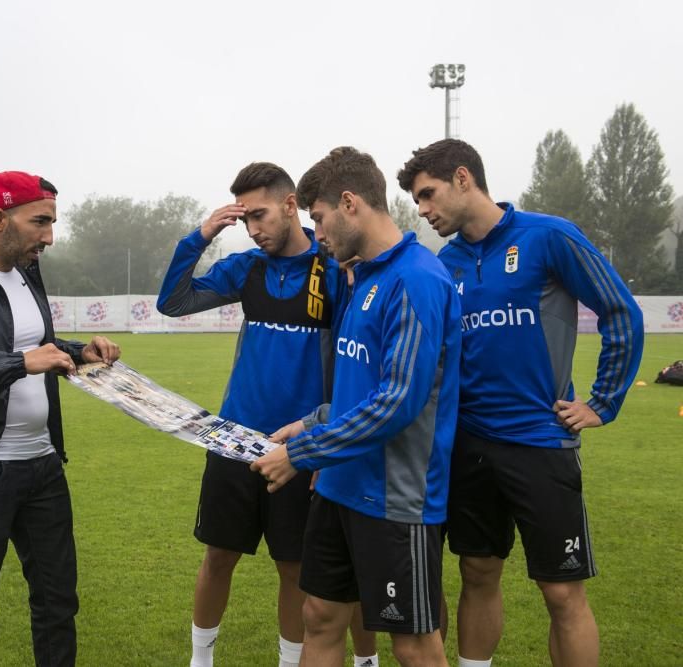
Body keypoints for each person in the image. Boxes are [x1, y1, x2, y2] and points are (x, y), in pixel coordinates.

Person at [396, 139, 644, 667]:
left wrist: (602, 401)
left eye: (427, 195)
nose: (423, 211)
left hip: (540, 442)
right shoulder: (448, 261)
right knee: (477, 573)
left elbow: (620, 311)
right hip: (470, 445)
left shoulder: (548, 236)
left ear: (463, 178)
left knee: (561, 593)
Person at [253, 146, 460, 667]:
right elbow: (358, 390)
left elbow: (396, 403)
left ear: (349, 204)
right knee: (320, 617)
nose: (315, 234)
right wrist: (307, 423)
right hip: (339, 487)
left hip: (394, 499)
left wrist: (303, 453)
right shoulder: (361, 275)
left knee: (412, 643)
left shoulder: (417, 279)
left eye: (318, 219)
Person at [157, 162, 353, 667]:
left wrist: (327, 441)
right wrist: (201, 236)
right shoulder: (247, 268)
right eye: (245, 220)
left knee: (294, 567)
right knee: (218, 556)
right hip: (231, 439)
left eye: (260, 215)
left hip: (298, 447)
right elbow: (173, 302)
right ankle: (201, 661)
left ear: (291, 205)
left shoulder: (332, 269)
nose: (253, 229)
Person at [0, 171, 120, 666]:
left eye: (52, 222)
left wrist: (80, 351)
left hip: (44, 465)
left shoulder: (27, 269)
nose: (49, 237)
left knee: (58, 602)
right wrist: (22, 363)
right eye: (40, 222)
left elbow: (30, 345)